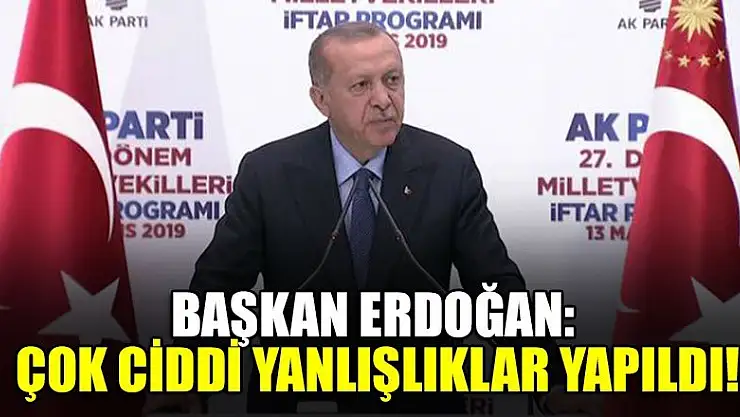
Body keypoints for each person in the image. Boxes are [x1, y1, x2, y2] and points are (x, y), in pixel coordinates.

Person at [144, 21, 601, 415]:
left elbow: (496, 288)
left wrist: (553, 383)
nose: (384, 99)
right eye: (361, 86)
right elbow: (218, 292)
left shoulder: (448, 167)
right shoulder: (268, 173)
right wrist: (183, 382)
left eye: (392, 80)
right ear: (321, 99)